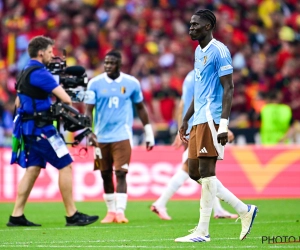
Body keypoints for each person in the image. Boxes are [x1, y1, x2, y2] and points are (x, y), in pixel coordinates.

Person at [175, 10, 258, 243]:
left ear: (208, 26)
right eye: (190, 24)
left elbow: (229, 88)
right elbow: (199, 90)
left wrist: (224, 125)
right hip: (198, 118)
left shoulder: (220, 51)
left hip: (212, 118)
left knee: (207, 173)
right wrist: (185, 118)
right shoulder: (197, 51)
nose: (190, 28)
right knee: (194, 172)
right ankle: (243, 209)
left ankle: (203, 231)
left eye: (195, 24)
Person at [7, 36, 99, 227]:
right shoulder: (41, 73)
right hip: (43, 129)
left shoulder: (24, 72)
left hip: (28, 129)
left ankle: (16, 216)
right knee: (66, 165)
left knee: (32, 170)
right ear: (41, 53)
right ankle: (72, 214)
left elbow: (17, 103)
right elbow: (66, 99)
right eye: (50, 51)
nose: (52, 55)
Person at [151, 70, 238, 220]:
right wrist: (224, 127)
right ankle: (160, 203)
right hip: (200, 127)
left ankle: (217, 209)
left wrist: (181, 128)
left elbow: (182, 105)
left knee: (205, 170)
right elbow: (206, 103)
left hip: (194, 127)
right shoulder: (206, 76)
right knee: (194, 169)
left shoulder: (191, 77)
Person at [85, 50, 155, 224]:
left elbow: (140, 107)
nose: (107, 66)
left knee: (121, 173)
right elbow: (88, 110)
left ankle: (121, 212)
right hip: (101, 136)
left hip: (122, 135)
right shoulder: (94, 83)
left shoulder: (131, 83)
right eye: (106, 63)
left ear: (119, 64)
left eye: (111, 63)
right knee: (105, 174)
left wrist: (148, 132)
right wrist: (88, 131)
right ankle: (110, 212)